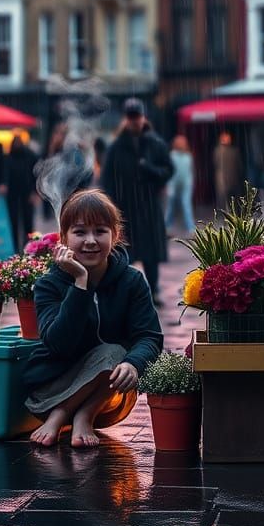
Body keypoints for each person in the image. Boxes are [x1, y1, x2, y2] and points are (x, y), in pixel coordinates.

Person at [23, 189, 163, 447]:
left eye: (100, 231)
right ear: (63, 238)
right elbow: (58, 343)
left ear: (115, 235)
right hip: (50, 393)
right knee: (112, 351)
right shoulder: (48, 285)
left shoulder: (131, 281)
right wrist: (80, 284)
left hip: (107, 398)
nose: (90, 241)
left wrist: (133, 363)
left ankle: (83, 415)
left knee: (116, 352)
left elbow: (149, 336)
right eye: (79, 232)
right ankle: (63, 411)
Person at [101, 98, 173, 303]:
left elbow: (168, 171)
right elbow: (107, 178)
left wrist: (150, 169)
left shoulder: (155, 143)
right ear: (126, 119)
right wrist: (111, 206)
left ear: (143, 117)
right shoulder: (116, 147)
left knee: (151, 253)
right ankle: (127, 293)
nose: (134, 121)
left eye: (137, 117)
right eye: (131, 117)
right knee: (124, 252)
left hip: (149, 205)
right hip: (125, 207)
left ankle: (155, 290)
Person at [6, 132, 39, 252]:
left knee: (28, 221)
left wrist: (35, 192)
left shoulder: (30, 156)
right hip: (12, 194)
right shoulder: (9, 157)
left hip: (27, 192)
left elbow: (37, 173)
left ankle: (29, 246)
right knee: (13, 221)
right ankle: (15, 247)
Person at [164, 135, 195, 233]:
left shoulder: (187, 156)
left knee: (185, 205)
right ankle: (167, 226)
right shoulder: (173, 155)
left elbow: (190, 171)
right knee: (171, 206)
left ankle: (190, 228)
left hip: (184, 183)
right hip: (174, 183)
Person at [212, 131, 244, 213]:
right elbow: (239, 165)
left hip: (223, 178)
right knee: (232, 198)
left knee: (225, 199)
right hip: (231, 178)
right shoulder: (234, 150)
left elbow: (215, 163)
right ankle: (232, 213)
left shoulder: (217, 150)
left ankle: (227, 213)